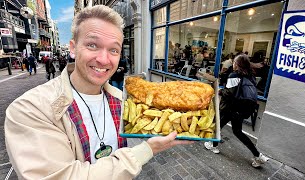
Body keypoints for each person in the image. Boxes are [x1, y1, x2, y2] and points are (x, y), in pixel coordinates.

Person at [5, 5, 193, 179]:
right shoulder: (29, 109)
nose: (104, 59)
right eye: (92, 45)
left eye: (113, 50)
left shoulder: (122, 101)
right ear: (73, 48)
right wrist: (147, 150)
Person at [199, 54, 269, 168]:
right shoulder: (251, 76)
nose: (233, 64)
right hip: (240, 110)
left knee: (219, 125)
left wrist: (221, 91)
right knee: (237, 131)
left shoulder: (234, 75)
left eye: (235, 62)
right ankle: (258, 156)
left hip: (230, 108)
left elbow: (229, 93)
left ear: (238, 64)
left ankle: (213, 145)